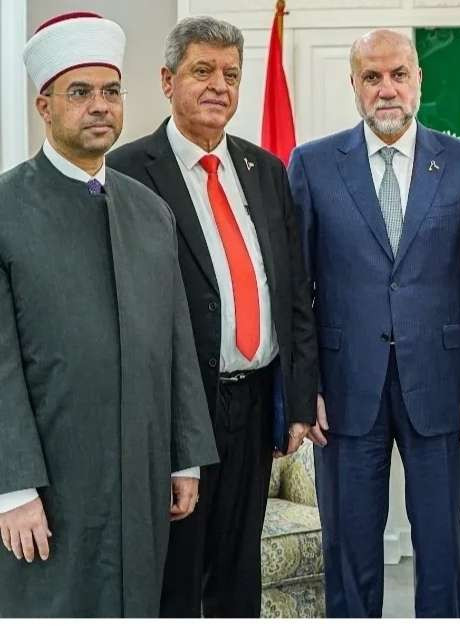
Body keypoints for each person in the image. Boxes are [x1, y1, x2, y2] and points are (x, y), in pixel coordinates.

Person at [0, 12, 217, 617]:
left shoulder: (150, 211)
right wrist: (11, 489)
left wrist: (184, 455)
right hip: (49, 481)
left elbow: (174, 339)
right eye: (81, 92)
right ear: (45, 106)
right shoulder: (5, 210)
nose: (101, 106)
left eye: (112, 91)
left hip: (143, 470)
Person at [108, 16, 318, 617]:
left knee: (237, 569)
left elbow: (293, 294)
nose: (219, 86)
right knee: (177, 572)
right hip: (177, 406)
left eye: (231, 74)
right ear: (168, 79)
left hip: (254, 403)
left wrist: (299, 402)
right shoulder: (126, 172)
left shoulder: (265, 169)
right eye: (203, 71)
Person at [287, 29, 460, 617]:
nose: (387, 89)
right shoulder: (312, 164)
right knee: (349, 550)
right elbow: (295, 293)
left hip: (444, 387)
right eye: (372, 77)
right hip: (345, 390)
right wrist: (307, 390)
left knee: (441, 549)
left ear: (419, 81)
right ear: (353, 84)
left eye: (398, 75)